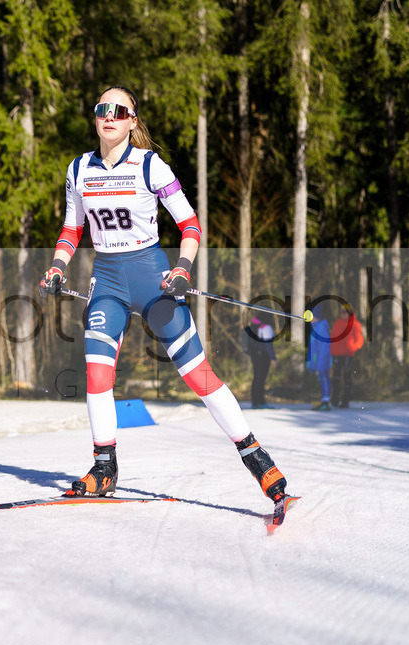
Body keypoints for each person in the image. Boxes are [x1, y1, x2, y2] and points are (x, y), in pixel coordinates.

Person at [38, 85, 291, 509]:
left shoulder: (151, 166)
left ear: (132, 122)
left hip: (153, 277)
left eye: (120, 111)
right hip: (108, 280)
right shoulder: (79, 168)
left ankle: (258, 460)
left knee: (198, 376)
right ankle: (104, 468)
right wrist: (58, 266)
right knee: (97, 375)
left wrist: (182, 269)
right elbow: (71, 229)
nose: (110, 116)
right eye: (102, 108)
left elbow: (190, 225)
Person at [329, 304, 364, 408]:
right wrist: (331, 349)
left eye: (344, 312)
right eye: (341, 312)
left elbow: (360, 340)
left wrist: (352, 347)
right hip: (337, 354)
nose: (342, 314)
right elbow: (333, 337)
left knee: (347, 377)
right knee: (335, 377)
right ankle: (334, 400)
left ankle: (345, 401)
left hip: (348, 355)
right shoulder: (337, 323)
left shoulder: (355, 324)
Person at [243, 316, 276, 408]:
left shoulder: (254, 325)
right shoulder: (266, 327)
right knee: (261, 378)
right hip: (263, 356)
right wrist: (273, 358)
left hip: (255, 355)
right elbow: (268, 345)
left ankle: (255, 402)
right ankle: (260, 402)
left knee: (257, 378)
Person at [306, 304, 332, 410]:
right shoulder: (315, 328)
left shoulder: (320, 328)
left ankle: (326, 402)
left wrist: (320, 364)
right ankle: (322, 401)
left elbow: (324, 348)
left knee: (324, 379)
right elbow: (313, 349)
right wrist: (311, 364)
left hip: (322, 362)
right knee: (321, 380)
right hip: (317, 363)